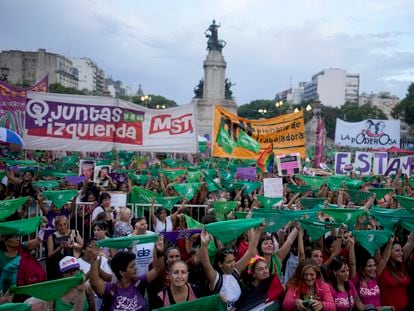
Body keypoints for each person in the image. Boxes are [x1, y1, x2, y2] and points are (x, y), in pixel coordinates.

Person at [89, 237, 165, 311]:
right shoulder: (110, 289)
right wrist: (93, 259)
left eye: (135, 265)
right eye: (132, 266)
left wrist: (159, 251)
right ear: (122, 272)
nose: (136, 268)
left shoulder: (138, 282)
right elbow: (94, 283)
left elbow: (156, 269)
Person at [199, 225, 263, 310]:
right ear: (220, 264)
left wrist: (259, 230)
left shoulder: (235, 272)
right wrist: (204, 245)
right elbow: (206, 265)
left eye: (233, 260)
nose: (233, 264)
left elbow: (251, 251)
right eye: (228, 262)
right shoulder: (216, 279)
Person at [377, 238, 411, 311]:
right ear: (389, 251)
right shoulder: (381, 268)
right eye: (397, 250)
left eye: (401, 250)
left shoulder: (401, 266)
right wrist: (390, 243)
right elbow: (384, 258)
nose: (401, 253)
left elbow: (411, 242)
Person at [47, 215, 84, 280]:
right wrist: (60, 248)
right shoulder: (52, 236)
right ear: (56, 226)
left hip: (73, 262)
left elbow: (83, 246)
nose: (63, 227)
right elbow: (49, 255)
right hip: (59, 264)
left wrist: (73, 246)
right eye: (60, 225)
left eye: (64, 224)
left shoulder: (74, 232)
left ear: (67, 224)